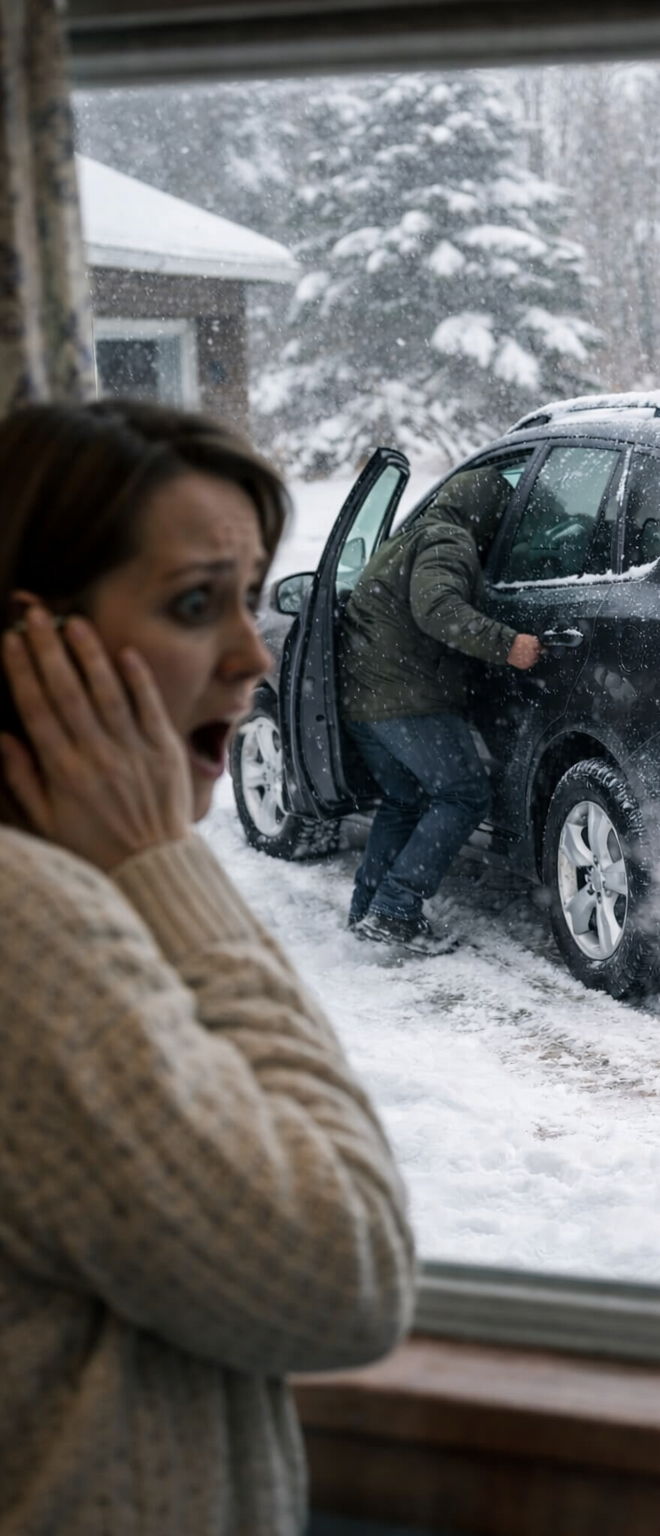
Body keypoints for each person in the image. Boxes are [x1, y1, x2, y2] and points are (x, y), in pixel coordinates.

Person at [0, 401, 416, 1536]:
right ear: (37, 642)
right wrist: (162, 864)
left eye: (250, 597)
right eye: (196, 605)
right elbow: (345, 1272)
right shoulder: (26, 928)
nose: (254, 656)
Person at [339, 461, 543, 956]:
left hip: (366, 700)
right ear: (487, 513)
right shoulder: (448, 541)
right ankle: (395, 910)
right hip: (407, 701)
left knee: (406, 797)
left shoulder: (410, 536)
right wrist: (506, 643)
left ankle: (369, 907)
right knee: (464, 795)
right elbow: (437, 609)